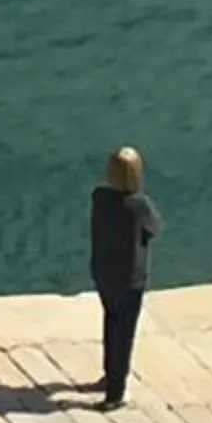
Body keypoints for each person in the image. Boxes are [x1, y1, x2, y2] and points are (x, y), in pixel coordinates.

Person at [89, 145, 162, 408]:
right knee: (125, 332)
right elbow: (154, 228)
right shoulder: (139, 205)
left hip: (103, 272)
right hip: (131, 277)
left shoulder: (99, 197)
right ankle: (115, 392)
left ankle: (109, 374)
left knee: (111, 322)